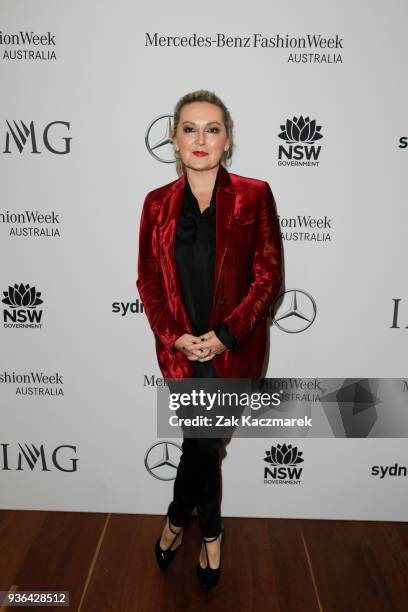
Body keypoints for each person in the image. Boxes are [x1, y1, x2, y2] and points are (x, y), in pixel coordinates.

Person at [136, 89, 283, 591]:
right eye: (190, 128)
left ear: (227, 140)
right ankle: (207, 532)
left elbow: (268, 276)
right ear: (174, 141)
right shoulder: (156, 205)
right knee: (203, 447)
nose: (201, 139)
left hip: (233, 350)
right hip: (181, 352)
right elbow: (148, 281)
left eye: (212, 128)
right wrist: (175, 337)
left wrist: (223, 337)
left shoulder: (255, 194)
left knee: (200, 445)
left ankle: (182, 522)